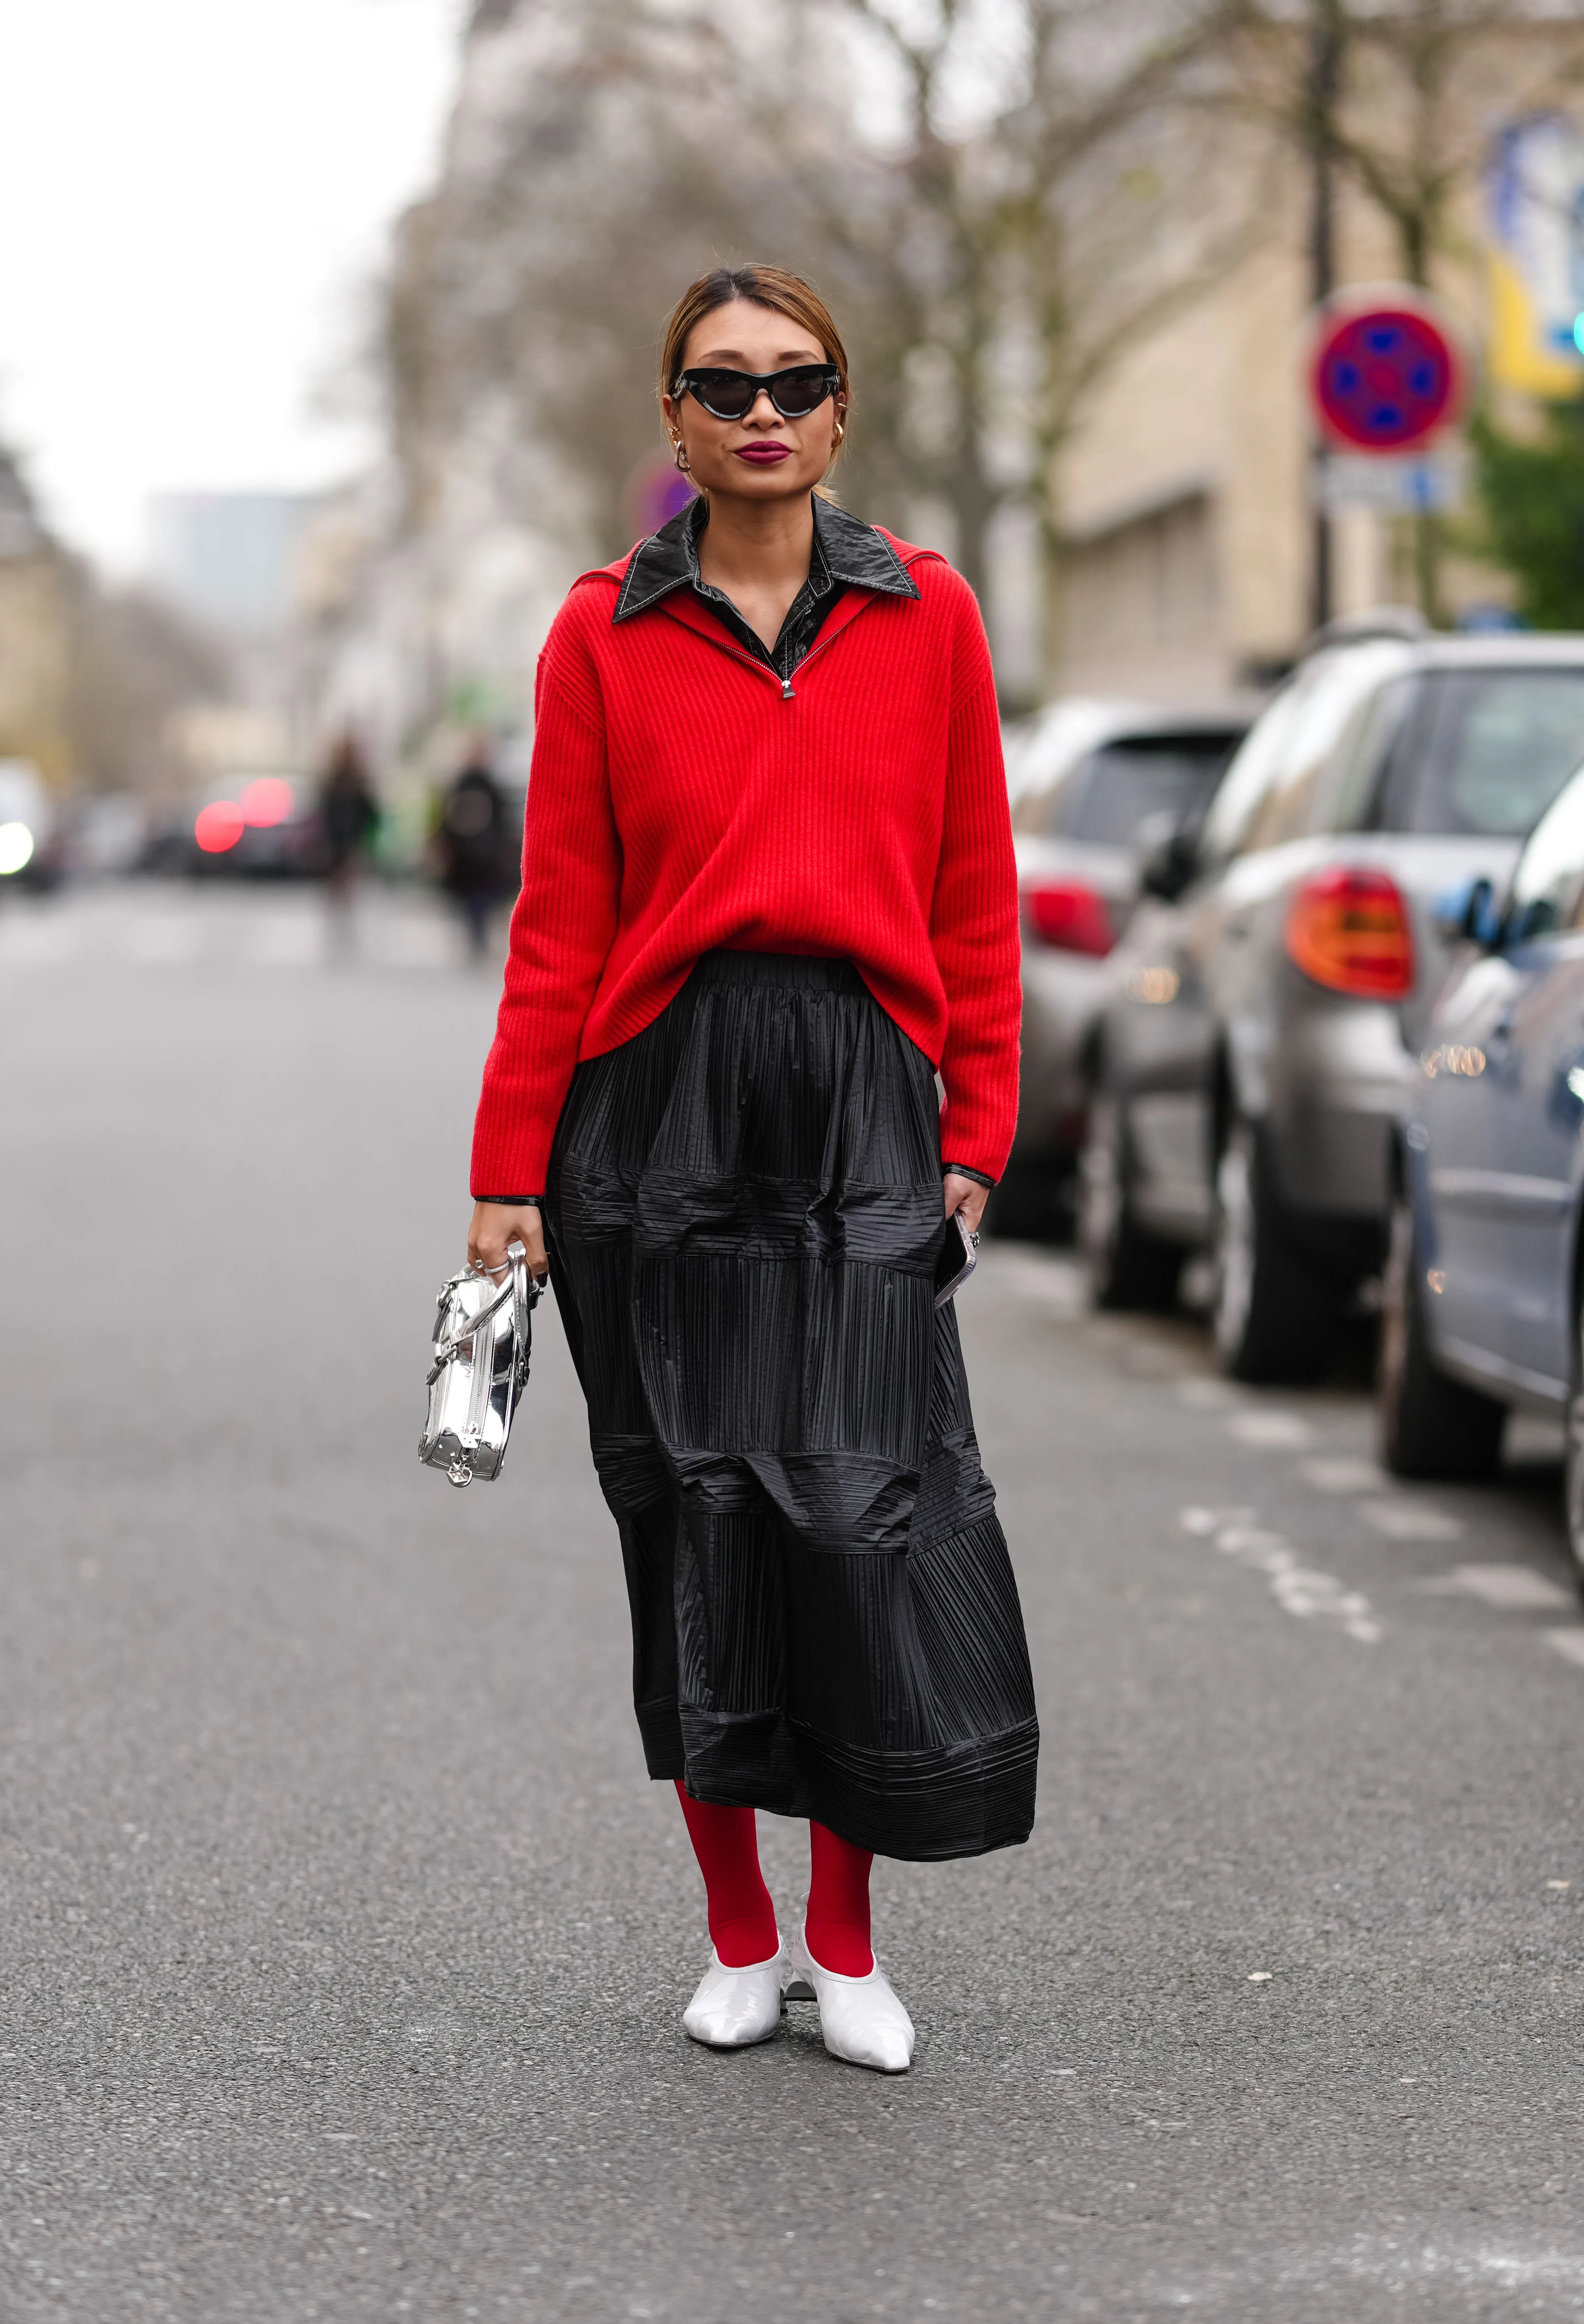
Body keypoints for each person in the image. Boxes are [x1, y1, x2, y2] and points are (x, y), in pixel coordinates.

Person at [463, 264, 1031, 2075]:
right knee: (692, 1516)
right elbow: (558, 921)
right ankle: (735, 1934)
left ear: (841, 411)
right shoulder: (598, 633)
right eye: (722, 384)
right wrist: (505, 1170)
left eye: (795, 380)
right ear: (675, 420)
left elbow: (975, 888)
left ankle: (844, 1944)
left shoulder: (928, 612)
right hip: (652, 1113)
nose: (761, 409)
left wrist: (975, 1129)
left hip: (859, 1096)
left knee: (854, 1515)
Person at [433, 746, 516, 961]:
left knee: (481, 900)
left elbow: (502, 822)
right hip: (468, 857)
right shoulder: (464, 785)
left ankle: (478, 938)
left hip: (483, 857)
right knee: (472, 901)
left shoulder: (486, 786)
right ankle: (476, 938)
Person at [315, 736, 379, 955]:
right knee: (336, 882)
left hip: (352, 838)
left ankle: (346, 919)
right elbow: (324, 809)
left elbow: (370, 810)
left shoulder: (358, 781)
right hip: (336, 839)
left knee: (347, 880)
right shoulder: (334, 780)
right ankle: (338, 920)